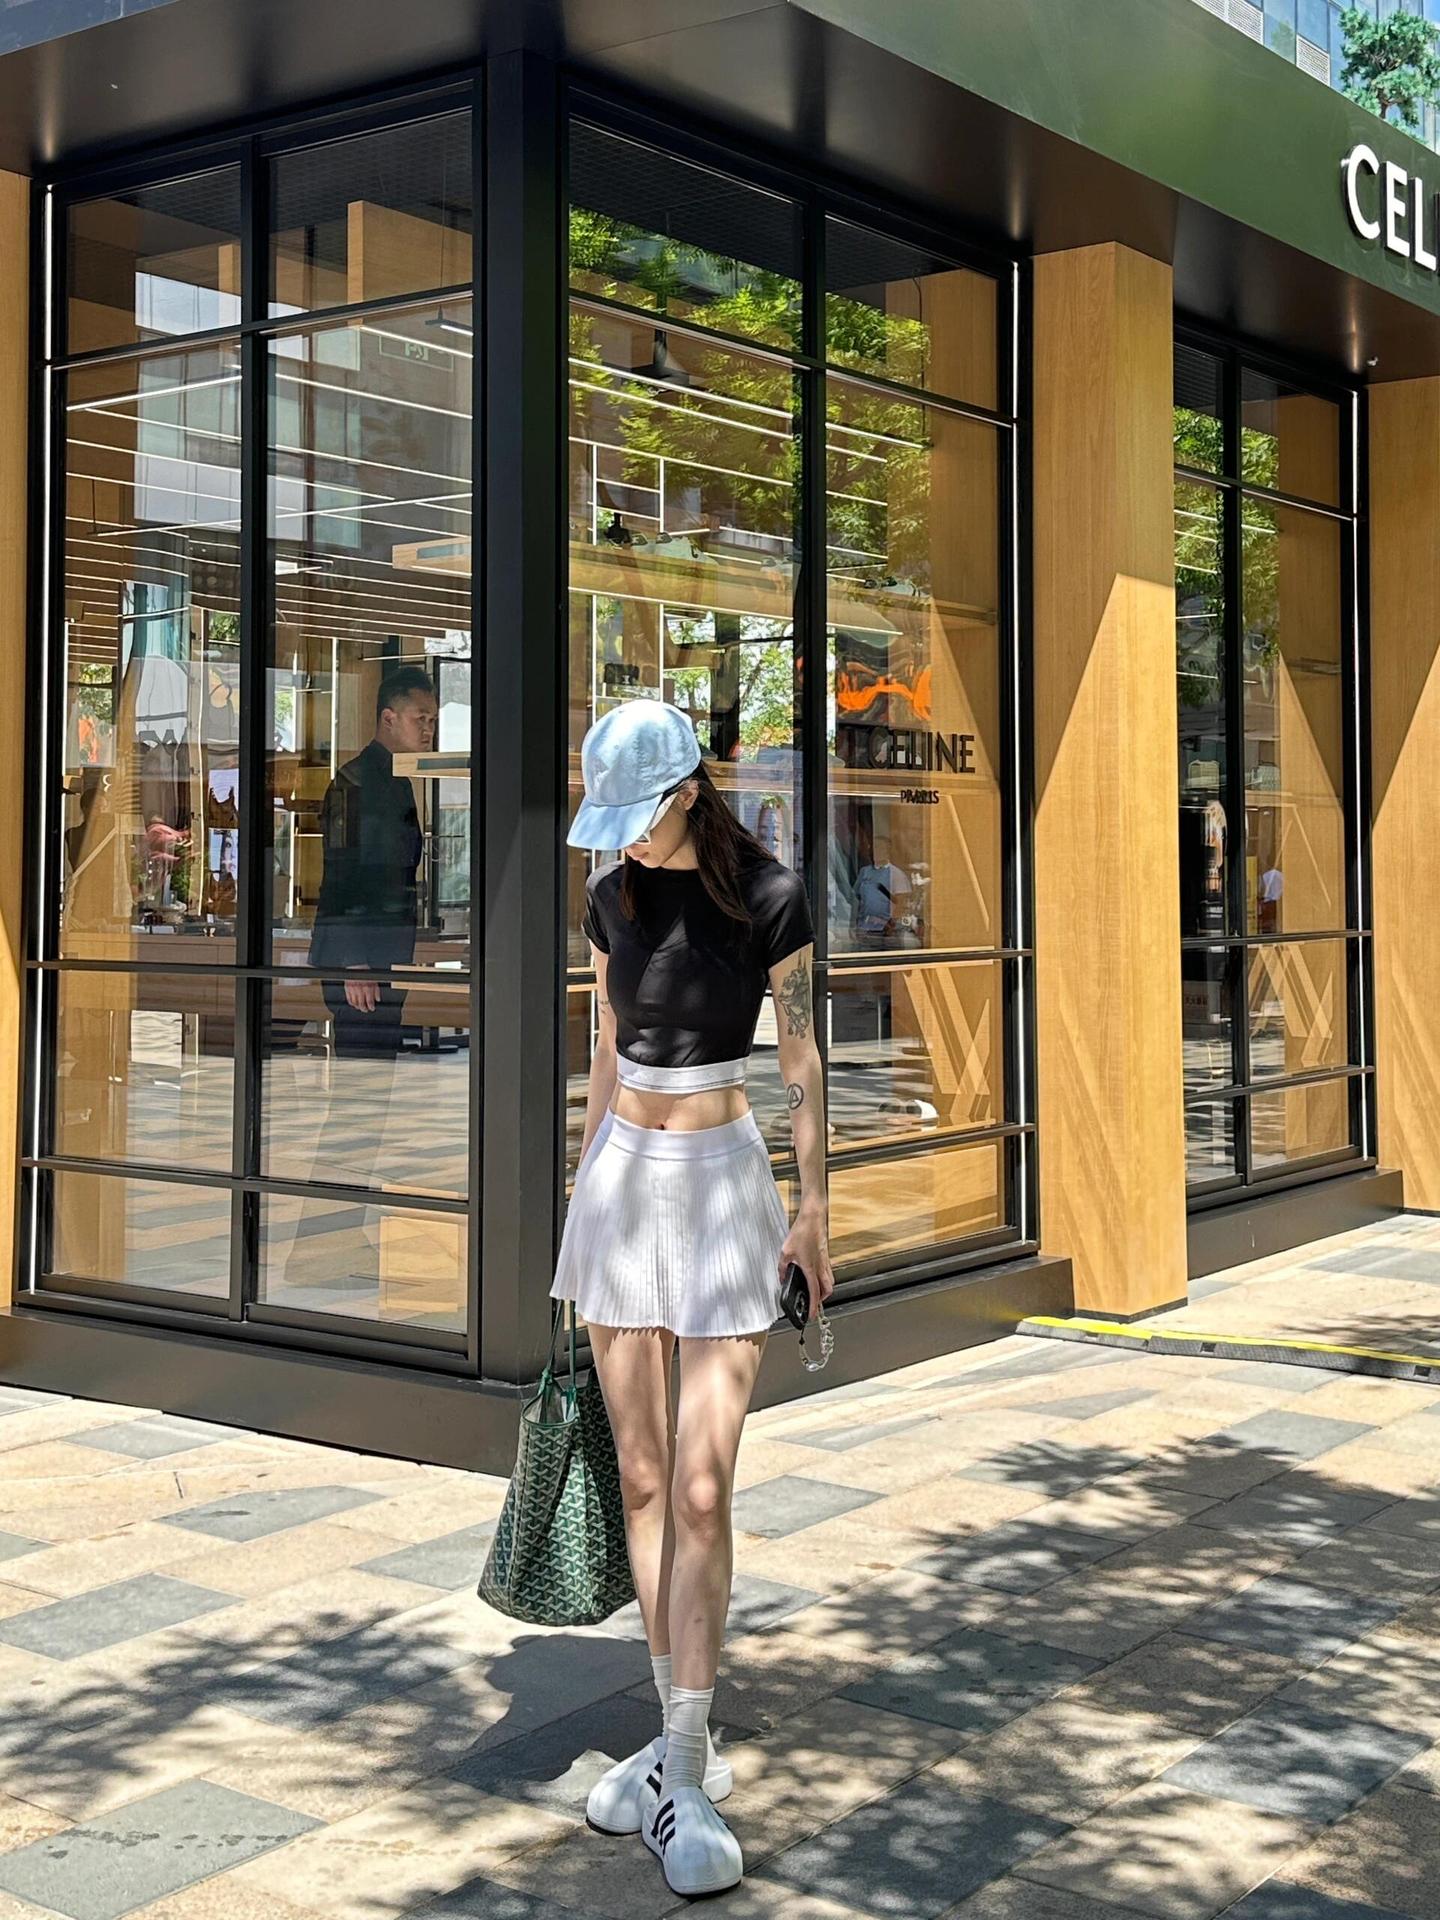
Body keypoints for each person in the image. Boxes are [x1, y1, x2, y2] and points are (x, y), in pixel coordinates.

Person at [554, 699, 834, 1898]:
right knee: (643, 1476)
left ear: (684, 797)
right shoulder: (608, 898)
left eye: (636, 815)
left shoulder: (770, 895)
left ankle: (680, 1759)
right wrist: (582, 1191)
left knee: (706, 1483)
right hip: (622, 1187)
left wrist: (815, 1213)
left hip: (725, 1189)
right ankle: (677, 1746)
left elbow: (804, 1059)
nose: (620, 837)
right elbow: (606, 1047)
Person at [310, 665, 437, 1056]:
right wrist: (354, 962)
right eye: (420, 719)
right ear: (388, 718)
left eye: (432, 721)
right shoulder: (356, 782)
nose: (428, 730)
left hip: (385, 952)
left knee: (379, 1073)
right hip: (360, 959)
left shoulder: (396, 781)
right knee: (362, 1075)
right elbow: (341, 876)